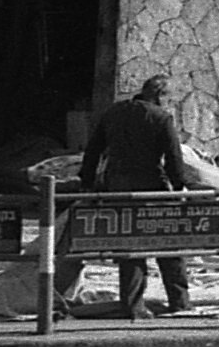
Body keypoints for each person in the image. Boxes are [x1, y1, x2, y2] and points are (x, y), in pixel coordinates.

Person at [55, 76, 193, 316]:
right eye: (169, 99)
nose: (169, 104)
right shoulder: (161, 118)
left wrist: (87, 182)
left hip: (116, 186)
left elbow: (93, 150)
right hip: (151, 186)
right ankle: (179, 301)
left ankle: (132, 304)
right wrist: (179, 186)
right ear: (160, 96)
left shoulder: (113, 112)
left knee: (129, 246)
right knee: (169, 242)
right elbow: (173, 157)